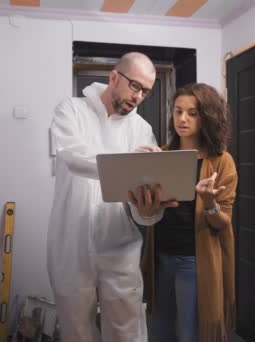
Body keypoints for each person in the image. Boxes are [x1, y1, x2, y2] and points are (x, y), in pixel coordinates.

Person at [46, 52, 176, 342]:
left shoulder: (142, 129)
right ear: (114, 77)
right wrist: (128, 162)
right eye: (135, 86)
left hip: (121, 247)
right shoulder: (71, 110)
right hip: (71, 244)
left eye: (146, 91)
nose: (139, 96)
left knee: (127, 332)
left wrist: (151, 208)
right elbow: (74, 158)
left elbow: (144, 212)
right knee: (76, 331)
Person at [129, 83, 238, 342]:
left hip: (194, 261)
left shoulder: (221, 161)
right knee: (158, 331)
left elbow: (223, 222)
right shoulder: (161, 154)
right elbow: (145, 209)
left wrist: (209, 202)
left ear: (207, 116)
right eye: (178, 111)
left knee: (187, 334)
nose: (182, 119)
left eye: (192, 113)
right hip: (159, 259)